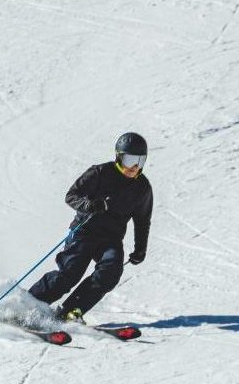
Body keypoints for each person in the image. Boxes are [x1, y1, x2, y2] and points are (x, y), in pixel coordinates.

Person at [28, 132, 153, 323]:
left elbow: (142, 220)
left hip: (110, 238)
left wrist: (140, 249)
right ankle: (29, 304)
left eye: (139, 161)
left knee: (111, 272)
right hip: (84, 232)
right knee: (70, 274)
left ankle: (70, 312)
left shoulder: (142, 188)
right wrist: (89, 205)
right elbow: (72, 195)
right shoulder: (100, 173)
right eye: (129, 160)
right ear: (119, 157)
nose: (134, 167)